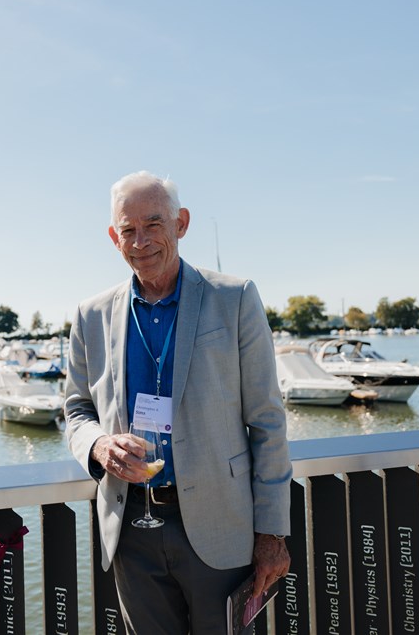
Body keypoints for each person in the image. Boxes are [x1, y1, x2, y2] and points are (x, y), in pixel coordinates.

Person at [64, 170, 292, 633]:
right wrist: (97, 446)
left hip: (221, 530)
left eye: (153, 224)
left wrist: (272, 532)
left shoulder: (235, 298)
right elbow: (75, 410)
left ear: (180, 224)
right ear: (114, 237)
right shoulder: (90, 315)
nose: (141, 240)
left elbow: (267, 420)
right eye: (128, 230)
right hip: (131, 531)